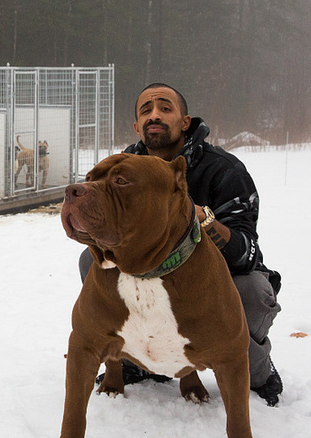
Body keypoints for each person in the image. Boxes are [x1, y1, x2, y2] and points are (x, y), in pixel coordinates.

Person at [81, 83, 283, 406]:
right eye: (145, 110)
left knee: (254, 292)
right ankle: (133, 357)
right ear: (136, 127)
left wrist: (204, 222)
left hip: (216, 287)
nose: (154, 115)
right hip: (151, 280)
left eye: (165, 107)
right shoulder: (125, 167)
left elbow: (246, 252)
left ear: (185, 121)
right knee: (89, 262)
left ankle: (255, 366)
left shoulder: (223, 170)